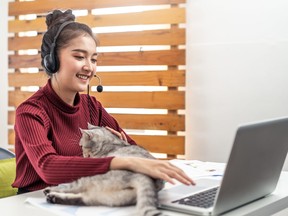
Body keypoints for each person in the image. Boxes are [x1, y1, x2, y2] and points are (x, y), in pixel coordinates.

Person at [12, 9, 194, 194]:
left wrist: (122, 149)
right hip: (34, 202)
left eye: (94, 59)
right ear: (52, 61)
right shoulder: (30, 112)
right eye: (79, 56)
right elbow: (48, 167)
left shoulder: (92, 107)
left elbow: (132, 149)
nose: (89, 67)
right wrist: (120, 161)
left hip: (83, 196)